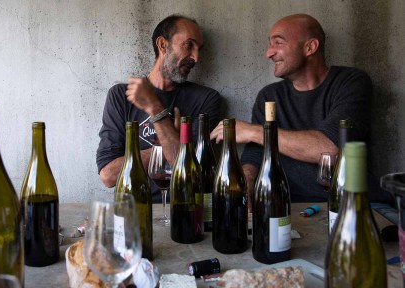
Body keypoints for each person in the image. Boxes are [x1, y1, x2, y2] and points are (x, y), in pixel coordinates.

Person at [211, 13, 388, 204]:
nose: (268, 53)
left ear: (310, 47)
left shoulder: (351, 82)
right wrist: (248, 184)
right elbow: (255, 154)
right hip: (290, 206)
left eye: (278, 43)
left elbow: (330, 149)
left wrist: (254, 132)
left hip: (355, 205)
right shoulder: (269, 96)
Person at [97, 14, 221, 202]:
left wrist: (154, 108)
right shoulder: (121, 96)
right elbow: (108, 176)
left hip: (184, 210)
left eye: (199, 49)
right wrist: (168, 145)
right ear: (163, 45)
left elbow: (189, 169)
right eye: (189, 45)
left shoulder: (206, 99)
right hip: (134, 213)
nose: (196, 57)